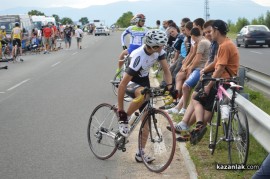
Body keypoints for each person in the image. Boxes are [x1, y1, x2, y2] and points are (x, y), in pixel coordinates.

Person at [117, 29, 172, 162]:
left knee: (146, 120)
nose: (163, 47)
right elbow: (122, 84)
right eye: (161, 45)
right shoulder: (138, 56)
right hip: (130, 81)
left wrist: (170, 88)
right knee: (144, 93)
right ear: (153, 46)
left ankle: (140, 153)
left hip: (144, 82)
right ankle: (125, 118)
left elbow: (166, 70)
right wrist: (121, 110)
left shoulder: (158, 51)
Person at [167, 20, 219, 139]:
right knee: (194, 96)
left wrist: (201, 71)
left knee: (197, 100)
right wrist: (187, 66)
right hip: (207, 74)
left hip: (211, 76)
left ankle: (189, 123)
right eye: (206, 32)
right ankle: (184, 123)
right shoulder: (210, 43)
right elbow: (194, 55)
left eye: (209, 32)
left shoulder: (211, 43)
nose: (207, 34)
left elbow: (216, 64)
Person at [190, 19, 239, 144]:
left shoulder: (224, 46)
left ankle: (200, 125)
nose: (210, 34)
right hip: (228, 79)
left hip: (223, 81)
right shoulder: (226, 43)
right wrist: (204, 70)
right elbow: (216, 62)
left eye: (211, 31)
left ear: (217, 31)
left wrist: (209, 85)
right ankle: (200, 125)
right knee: (205, 103)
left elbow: (220, 68)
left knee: (196, 97)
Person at [166, 27, 210, 115]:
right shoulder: (201, 41)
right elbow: (193, 55)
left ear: (193, 36)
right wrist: (187, 66)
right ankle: (178, 104)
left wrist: (189, 68)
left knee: (186, 85)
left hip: (200, 69)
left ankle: (183, 107)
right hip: (199, 68)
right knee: (181, 78)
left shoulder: (201, 43)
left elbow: (197, 59)